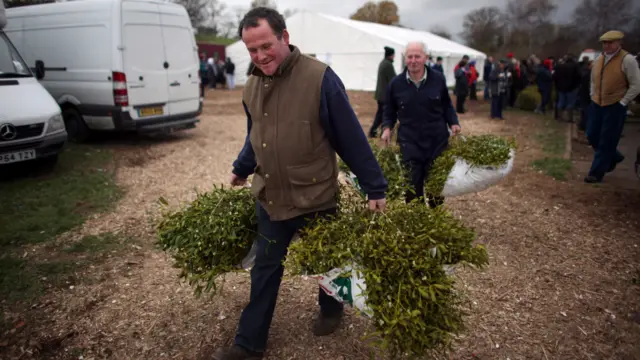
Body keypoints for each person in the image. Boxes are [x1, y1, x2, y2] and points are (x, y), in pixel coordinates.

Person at [214, 7, 388, 360]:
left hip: (316, 195)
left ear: (284, 38)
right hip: (272, 197)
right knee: (264, 268)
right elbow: (256, 136)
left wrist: (375, 186)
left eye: (266, 46)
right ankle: (248, 344)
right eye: (252, 50)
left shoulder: (320, 78)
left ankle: (331, 309)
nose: (260, 56)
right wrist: (241, 167)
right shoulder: (251, 85)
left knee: (327, 261)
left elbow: (350, 136)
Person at [381, 41, 460, 208]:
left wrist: (453, 123)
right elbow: (388, 110)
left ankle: (435, 219)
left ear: (425, 57)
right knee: (412, 186)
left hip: (436, 141)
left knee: (435, 186)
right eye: (410, 56)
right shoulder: (396, 84)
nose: (413, 60)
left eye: (417, 56)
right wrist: (386, 128)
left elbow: (446, 105)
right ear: (405, 58)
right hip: (410, 142)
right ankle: (416, 222)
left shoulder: (438, 79)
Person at [585, 30, 640, 183]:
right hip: (597, 103)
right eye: (605, 43)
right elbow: (593, 80)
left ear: (619, 43)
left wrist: (623, 102)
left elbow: (636, 85)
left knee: (606, 140)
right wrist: (592, 95)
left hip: (615, 105)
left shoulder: (627, 60)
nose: (607, 46)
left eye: (611, 42)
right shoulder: (599, 59)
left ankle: (595, 173)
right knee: (592, 134)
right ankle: (614, 157)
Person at [369, 46, 397, 138]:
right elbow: (393, 79)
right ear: (391, 55)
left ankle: (375, 131)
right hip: (384, 96)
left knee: (381, 114)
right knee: (382, 115)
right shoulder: (388, 65)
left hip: (381, 95)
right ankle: (374, 131)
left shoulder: (383, 63)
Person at [552, 53, 582, 122]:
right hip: (571, 88)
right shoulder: (575, 66)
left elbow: (554, 77)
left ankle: (559, 117)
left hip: (560, 88)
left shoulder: (559, 66)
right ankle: (570, 118)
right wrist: (576, 85)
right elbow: (579, 76)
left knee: (560, 102)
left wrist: (557, 85)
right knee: (570, 103)